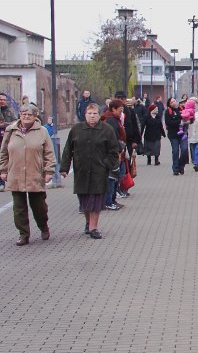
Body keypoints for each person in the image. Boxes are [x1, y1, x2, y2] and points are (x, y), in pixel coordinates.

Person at [60, 103, 118, 240]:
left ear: (99, 115)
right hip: (82, 171)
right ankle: (88, 222)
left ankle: (93, 228)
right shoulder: (76, 129)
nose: (92, 116)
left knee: (96, 201)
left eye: (95, 114)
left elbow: (114, 152)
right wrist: (64, 168)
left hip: (99, 171)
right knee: (84, 201)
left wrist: (106, 165)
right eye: (89, 113)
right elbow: (68, 149)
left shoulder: (107, 130)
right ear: (85, 115)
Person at [0, 104, 56, 246]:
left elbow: (49, 152)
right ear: (20, 115)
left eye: (29, 114)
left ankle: (43, 227)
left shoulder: (42, 131)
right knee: (19, 208)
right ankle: (23, 234)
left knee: (39, 206)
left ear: (35, 116)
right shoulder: (11, 130)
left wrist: (49, 171)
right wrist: (3, 170)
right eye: (23, 114)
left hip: (35, 174)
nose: (26, 116)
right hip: (16, 174)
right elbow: (3, 152)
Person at [101, 100, 128, 210]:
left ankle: (112, 199)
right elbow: (113, 138)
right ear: (113, 109)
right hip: (112, 154)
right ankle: (109, 201)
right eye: (120, 110)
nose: (121, 112)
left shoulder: (114, 119)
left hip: (115, 152)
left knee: (115, 176)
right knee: (112, 177)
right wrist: (120, 148)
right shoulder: (111, 121)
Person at [164, 98, 186, 175]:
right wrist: (179, 121)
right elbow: (168, 122)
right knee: (176, 151)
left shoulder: (180, 110)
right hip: (173, 135)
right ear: (169, 104)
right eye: (172, 102)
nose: (174, 102)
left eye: (174, 101)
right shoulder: (167, 112)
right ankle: (175, 169)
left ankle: (181, 165)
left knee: (184, 150)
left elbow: (186, 118)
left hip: (182, 134)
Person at [0, 93, 15, 191]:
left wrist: (5, 124)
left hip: (8, 139)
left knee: (8, 161)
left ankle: (8, 180)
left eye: (3, 100)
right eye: (0, 99)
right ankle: (1, 183)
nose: (2, 101)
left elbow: (15, 122)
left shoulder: (10, 111)